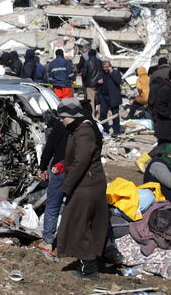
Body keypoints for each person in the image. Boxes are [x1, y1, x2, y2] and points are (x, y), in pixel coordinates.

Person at [55, 97, 109, 280]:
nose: (61, 120)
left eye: (63, 116)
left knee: (79, 226)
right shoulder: (80, 129)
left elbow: (82, 161)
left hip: (86, 185)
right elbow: (78, 158)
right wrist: (63, 164)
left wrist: (66, 186)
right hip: (88, 183)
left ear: (71, 115)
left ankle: (89, 270)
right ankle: (86, 265)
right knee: (83, 225)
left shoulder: (84, 131)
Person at [37, 114, 68, 254]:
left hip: (59, 170)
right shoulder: (88, 127)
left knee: (53, 205)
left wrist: (42, 166)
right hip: (79, 171)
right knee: (73, 206)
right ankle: (69, 241)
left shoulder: (61, 125)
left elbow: (49, 147)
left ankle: (48, 241)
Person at [97, 60, 122, 136]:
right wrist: (98, 82)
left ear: (110, 66)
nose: (105, 69)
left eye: (107, 67)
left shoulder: (115, 72)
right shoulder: (102, 73)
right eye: (104, 67)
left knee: (115, 114)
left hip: (113, 96)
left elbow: (118, 81)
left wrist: (111, 72)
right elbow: (98, 81)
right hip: (104, 97)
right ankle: (105, 129)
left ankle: (116, 131)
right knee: (102, 114)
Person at [152, 70, 171, 158]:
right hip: (165, 123)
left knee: (165, 146)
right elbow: (159, 106)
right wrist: (170, 115)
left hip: (169, 123)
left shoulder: (170, 88)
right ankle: (143, 160)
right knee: (164, 145)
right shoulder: (165, 89)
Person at [81, 49, 103, 117]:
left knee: (91, 100)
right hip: (99, 84)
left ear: (89, 55)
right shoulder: (100, 62)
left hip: (90, 84)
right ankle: (99, 115)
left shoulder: (87, 62)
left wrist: (84, 82)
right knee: (99, 100)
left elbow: (84, 74)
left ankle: (92, 115)